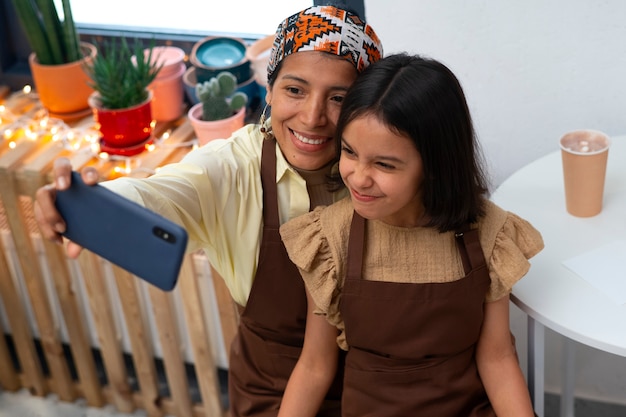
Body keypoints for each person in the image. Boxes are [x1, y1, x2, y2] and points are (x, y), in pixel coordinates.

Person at [33, 5, 383, 416]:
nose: (312, 116)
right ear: (269, 89)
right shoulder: (231, 168)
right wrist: (88, 202)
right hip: (271, 392)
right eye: (295, 90)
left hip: (379, 390)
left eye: (339, 98)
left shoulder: (385, 172)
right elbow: (163, 194)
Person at [278, 53, 544, 417]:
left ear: (435, 166)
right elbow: (314, 367)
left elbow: (497, 357)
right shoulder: (328, 239)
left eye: (384, 164)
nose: (357, 177)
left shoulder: (489, 234)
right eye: (349, 152)